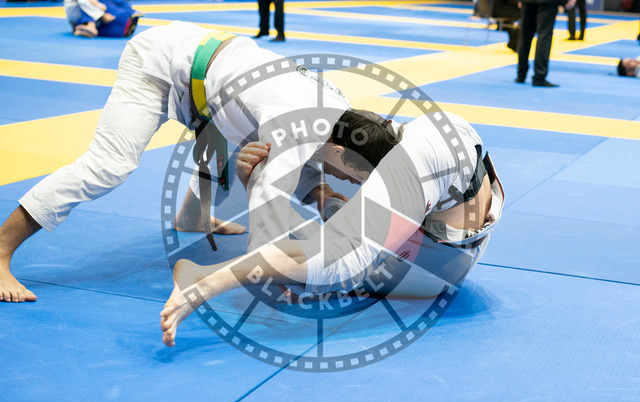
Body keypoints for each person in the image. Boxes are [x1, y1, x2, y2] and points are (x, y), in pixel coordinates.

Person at [0, 21, 386, 303]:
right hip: (162, 64)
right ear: (341, 151)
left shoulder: (343, 118)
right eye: (357, 176)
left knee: (241, 143)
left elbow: (306, 156)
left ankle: (190, 217)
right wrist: (274, 272)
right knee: (109, 165)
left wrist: (325, 198)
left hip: (214, 79)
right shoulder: (294, 122)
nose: (354, 183)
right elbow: (266, 204)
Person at [160, 111, 505, 347]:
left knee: (333, 261)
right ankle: (264, 249)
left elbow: (331, 254)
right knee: (331, 247)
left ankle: (205, 279)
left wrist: (258, 186)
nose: (338, 176)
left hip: (431, 269)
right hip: (444, 253)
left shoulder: (416, 158)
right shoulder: (403, 139)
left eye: (329, 164)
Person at [516, 0, 576, 87]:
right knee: (544, 36)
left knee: (525, 36)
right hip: (548, 3)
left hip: (528, 2)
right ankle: (539, 76)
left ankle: (521, 74)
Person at [64, 0, 142, 38]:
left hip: (117, 24)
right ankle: (90, 24)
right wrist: (101, 14)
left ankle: (89, 25)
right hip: (119, 28)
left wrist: (101, 13)